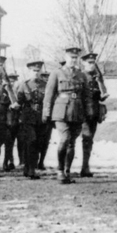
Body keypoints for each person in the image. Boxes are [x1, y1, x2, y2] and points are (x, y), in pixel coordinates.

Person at [43, 47, 89, 184]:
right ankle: (60, 170)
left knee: (72, 143)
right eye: (71, 57)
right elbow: (49, 95)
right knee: (65, 138)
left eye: (75, 58)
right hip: (61, 112)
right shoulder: (56, 73)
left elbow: (86, 95)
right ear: (65, 57)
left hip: (77, 111)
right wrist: (46, 112)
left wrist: (87, 112)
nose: (73, 60)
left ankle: (67, 172)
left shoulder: (81, 75)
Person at [16, 60, 49, 179]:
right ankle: (30, 169)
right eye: (34, 71)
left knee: (39, 143)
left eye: (38, 70)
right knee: (31, 142)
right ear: (29, 71)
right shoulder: (24, 85)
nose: (36, 73)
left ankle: (30, 168)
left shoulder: (46, 85)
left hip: (41, 118)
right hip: (28, 118)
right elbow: (18, 102)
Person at [80, 52, 108, 177]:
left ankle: (85, 166)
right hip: (82, 113)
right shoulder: (80, 76)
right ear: (83, 63)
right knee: (81, 139)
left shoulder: (97, 77)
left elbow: (102, 96)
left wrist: (100, 84)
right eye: (89, 62)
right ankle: (68, 168)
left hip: (94, 113)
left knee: (89, 140)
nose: (92, 65)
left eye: (93, 62)